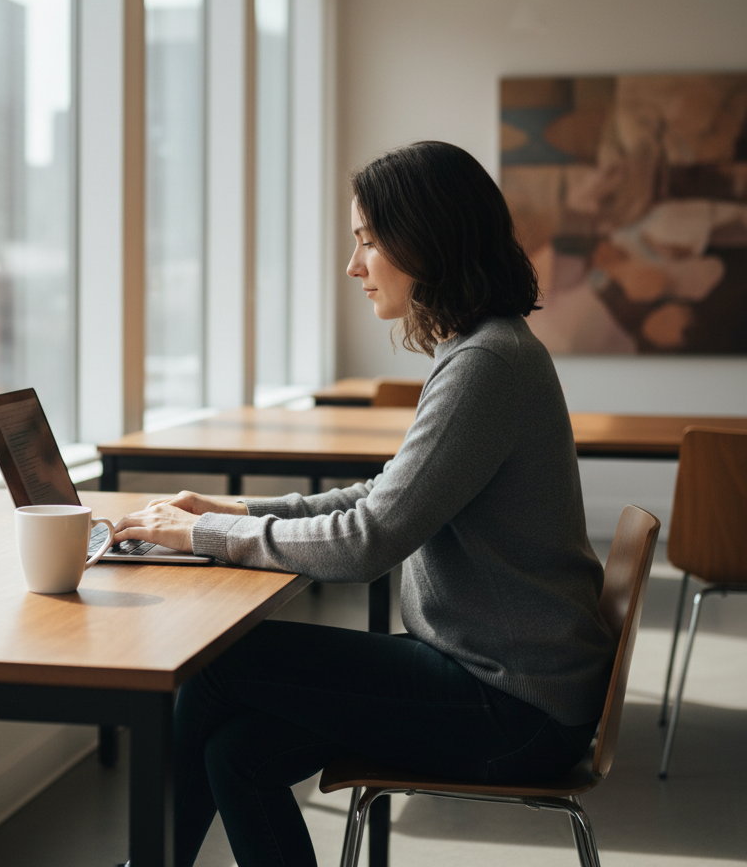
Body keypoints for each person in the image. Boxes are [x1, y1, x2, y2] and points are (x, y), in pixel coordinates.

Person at [113, 141, 616, 867]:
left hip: (513, 708)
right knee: (238, 754)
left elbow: (370, 540)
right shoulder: (481, 351)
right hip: (494, 676)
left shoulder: (488, 365)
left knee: (216, 665)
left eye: (367, 242)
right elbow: (382, 497)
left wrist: (206, 537)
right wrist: (235, 517)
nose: (354, 267)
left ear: (425, 240)